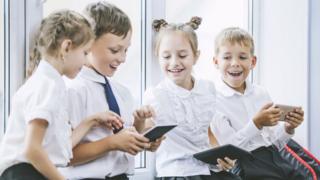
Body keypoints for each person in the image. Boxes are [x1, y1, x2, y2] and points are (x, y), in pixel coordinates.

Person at [0, 10, 123, 180]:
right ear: (66, 47)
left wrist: (92, 121)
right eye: (85, 53)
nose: (85, 60)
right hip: (24, 173)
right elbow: (32, 149)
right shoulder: (47, 86)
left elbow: (57, 147)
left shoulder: (52, 83)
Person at [59, 2, 162, 180]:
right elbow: (62, 155)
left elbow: (122, 147)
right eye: (115, 50)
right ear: (88, 43)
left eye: (126, 50)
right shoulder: (72, 89)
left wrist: (141, 134)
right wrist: (111, 143)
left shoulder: (122, 92)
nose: (122, 58)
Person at [143, 17, 241, 180]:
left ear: (195, 56)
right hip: (177, 173)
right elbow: (145, 134)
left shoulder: (207, 88)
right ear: (157, 56)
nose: (174, 62)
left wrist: (220, 158)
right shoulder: (155, 95)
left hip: (207, 170)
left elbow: (206, 132)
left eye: (182, 55)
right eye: (166, 57)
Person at [210, 27, 305, 180]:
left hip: (276, 160)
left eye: (242, 57)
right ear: (216, 62)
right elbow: (228, 151)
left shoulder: (261, 93)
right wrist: (256, 123)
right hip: (246, 166)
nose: (235, 63)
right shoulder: (213, 100)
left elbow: (274, 144)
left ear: (253, 61)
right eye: (227, 57)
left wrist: (288, 128)